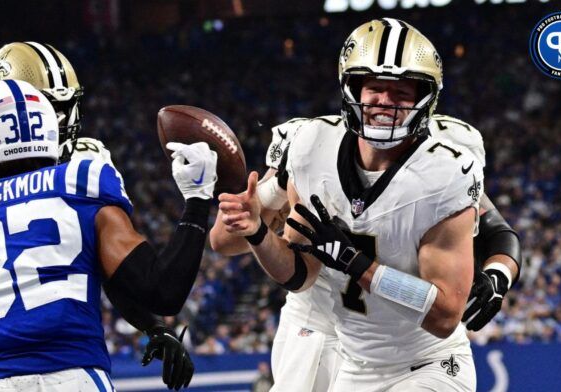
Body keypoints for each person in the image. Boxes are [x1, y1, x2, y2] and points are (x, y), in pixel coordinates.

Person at [210, 19, 521, 392]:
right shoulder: (310, 148)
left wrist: (498, 274)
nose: (385, 104)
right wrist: (255, 223)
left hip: (420, 353)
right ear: (351, 88)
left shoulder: (449, 164)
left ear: (427, 101)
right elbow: (252, 251)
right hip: (332, 329)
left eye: (401, 92)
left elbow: (493, 238)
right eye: (374, 88)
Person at [0, 41, 196, 391]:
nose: (63, 121)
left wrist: (151, 326)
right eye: (51, 107)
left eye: (67, 107)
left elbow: (104, 259)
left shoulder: (84, 159)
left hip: (32, 355)